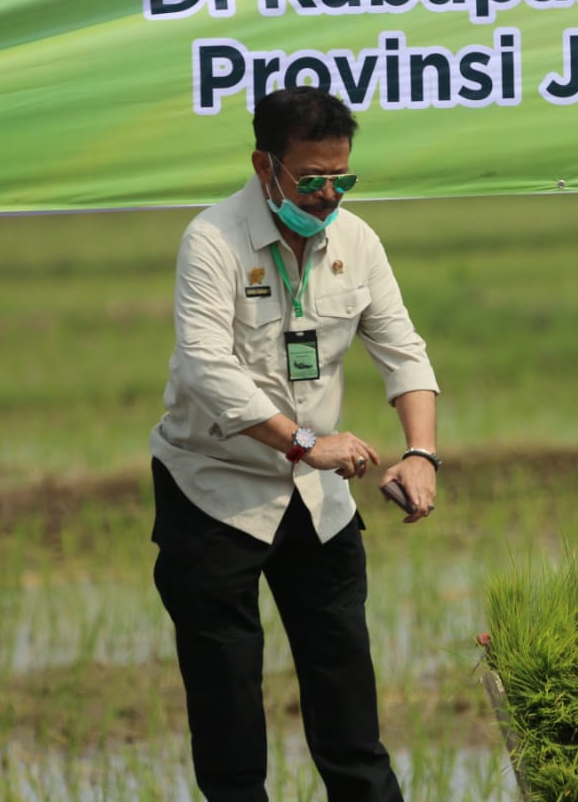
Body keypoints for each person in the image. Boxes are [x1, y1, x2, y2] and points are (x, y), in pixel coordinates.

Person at [149, 85, 440, 802]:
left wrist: (421, 452)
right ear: (264, 164)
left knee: (349, 705)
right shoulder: (211, 241)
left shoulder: (357, 240)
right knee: (230, 717)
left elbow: (403, 350)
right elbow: (210, 371)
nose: (327, 194)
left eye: (342, 177)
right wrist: (308, 442)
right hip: (215, 492)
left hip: (319, 500)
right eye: (311, 179)